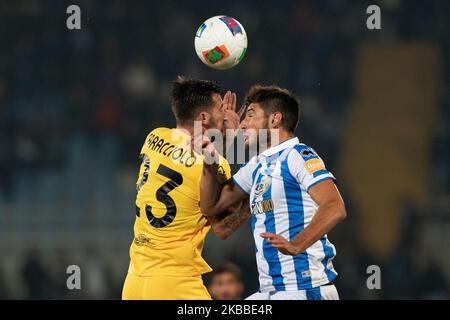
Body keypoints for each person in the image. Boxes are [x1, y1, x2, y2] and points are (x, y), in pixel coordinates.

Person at [199, 85, 347, 300]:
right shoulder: (257, 165)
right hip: (270, 291)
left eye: (250, 115)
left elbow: (335, 207)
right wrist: (214, 150)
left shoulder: (298, 155)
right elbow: (211, 206)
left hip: (304, 288)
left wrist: (297, 243)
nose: (242, 123)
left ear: (275, 119)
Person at [122, 76, 246, 300]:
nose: (225, 114)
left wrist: (221, 140)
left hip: (134, 281)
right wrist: (256, 195)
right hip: (175, 283)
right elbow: (223, 229)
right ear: (203, 117)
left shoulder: (154, 137)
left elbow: (190, 163)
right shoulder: (218, 167)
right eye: (220, 109)